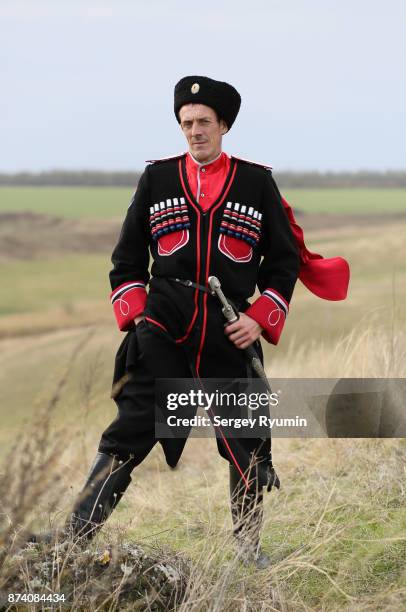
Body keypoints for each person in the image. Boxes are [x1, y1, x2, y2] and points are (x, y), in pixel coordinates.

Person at [30, 76, 349, 568]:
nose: (194, 131)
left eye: (203, 122)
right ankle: (74, 537)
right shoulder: (156, 179)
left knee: (244, 439)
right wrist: (139, 320)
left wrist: (259, 319)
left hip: (227, 330)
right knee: (131, 430)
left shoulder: (255, 181)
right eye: (186, 123)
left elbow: (284, 263)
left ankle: (248, 548)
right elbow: (126, 260)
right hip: (163, 327)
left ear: (223, 125)